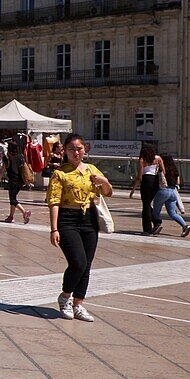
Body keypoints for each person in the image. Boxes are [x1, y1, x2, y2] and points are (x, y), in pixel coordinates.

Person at [47, 133, 112, 322]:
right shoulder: (60, 173)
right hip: (67, 219)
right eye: (71, 149)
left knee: (87, 265)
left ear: (85, 150)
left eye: (79, 149)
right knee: (78, 262)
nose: (76, 152)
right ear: (65, 151)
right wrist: (54, 229)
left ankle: (78, 304)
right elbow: (54, 202)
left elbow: (108, 192)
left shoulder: (91, 170)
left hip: (89, 218)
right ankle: (65, 296)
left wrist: (104, 182)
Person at [128, 144, 164, 235]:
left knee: (145, 205)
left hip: (146, 181)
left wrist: (133, 189)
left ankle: (148, 229)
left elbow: (139, 177)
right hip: (155, 181)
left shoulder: (142, 160)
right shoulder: (158, 158)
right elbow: (163, 171)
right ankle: (156, 222)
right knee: (148, 204)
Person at [152, 153, 190, 237]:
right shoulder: (174, 169)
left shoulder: (161, 168)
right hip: (173, 191)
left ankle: (158, 224)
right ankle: (185, 226)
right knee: (173, 213)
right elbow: (178, 181)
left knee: (155, 211)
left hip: (163, 190)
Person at [1, 140, 32, 223]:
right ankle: (11, 216)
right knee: (13, 198)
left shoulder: (7, 157)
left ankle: (24, 212)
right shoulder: (20, 156)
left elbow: (2, 170)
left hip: (12, 180)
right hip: (20, 181)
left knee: (13, 200)